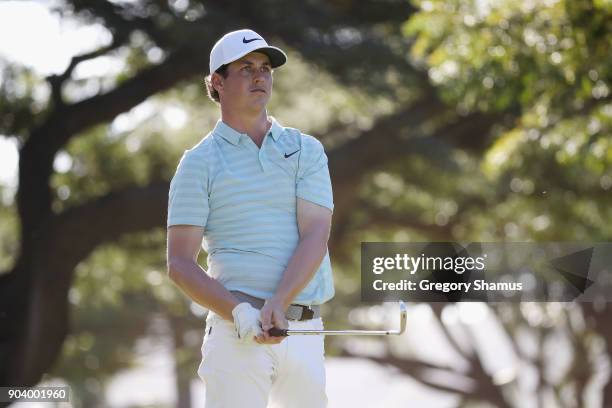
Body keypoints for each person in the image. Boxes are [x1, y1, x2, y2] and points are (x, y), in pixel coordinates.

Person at [166, 29, 335, 408]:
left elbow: (316, 232)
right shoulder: (198, 163)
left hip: (303, 329)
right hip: (235, 333)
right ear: (217, 82)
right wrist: (239, 312)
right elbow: (179, 263)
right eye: (246, 68)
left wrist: (279, 299)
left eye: (265, 68)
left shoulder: (305, 149)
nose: (260, 76)